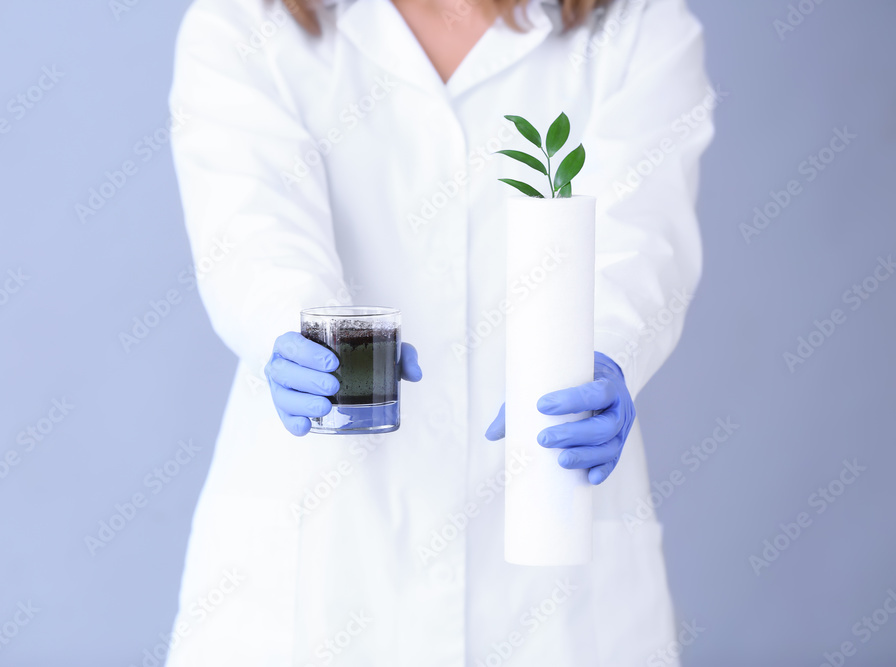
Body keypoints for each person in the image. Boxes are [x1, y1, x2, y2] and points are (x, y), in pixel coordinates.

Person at [164, 0, 713, 662]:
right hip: (313, 571)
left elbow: (641, 241)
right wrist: (296, 325)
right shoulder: (243, 21)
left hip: (554, 590)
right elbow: (251, 225)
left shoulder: (640, 27)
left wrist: (604, 352)